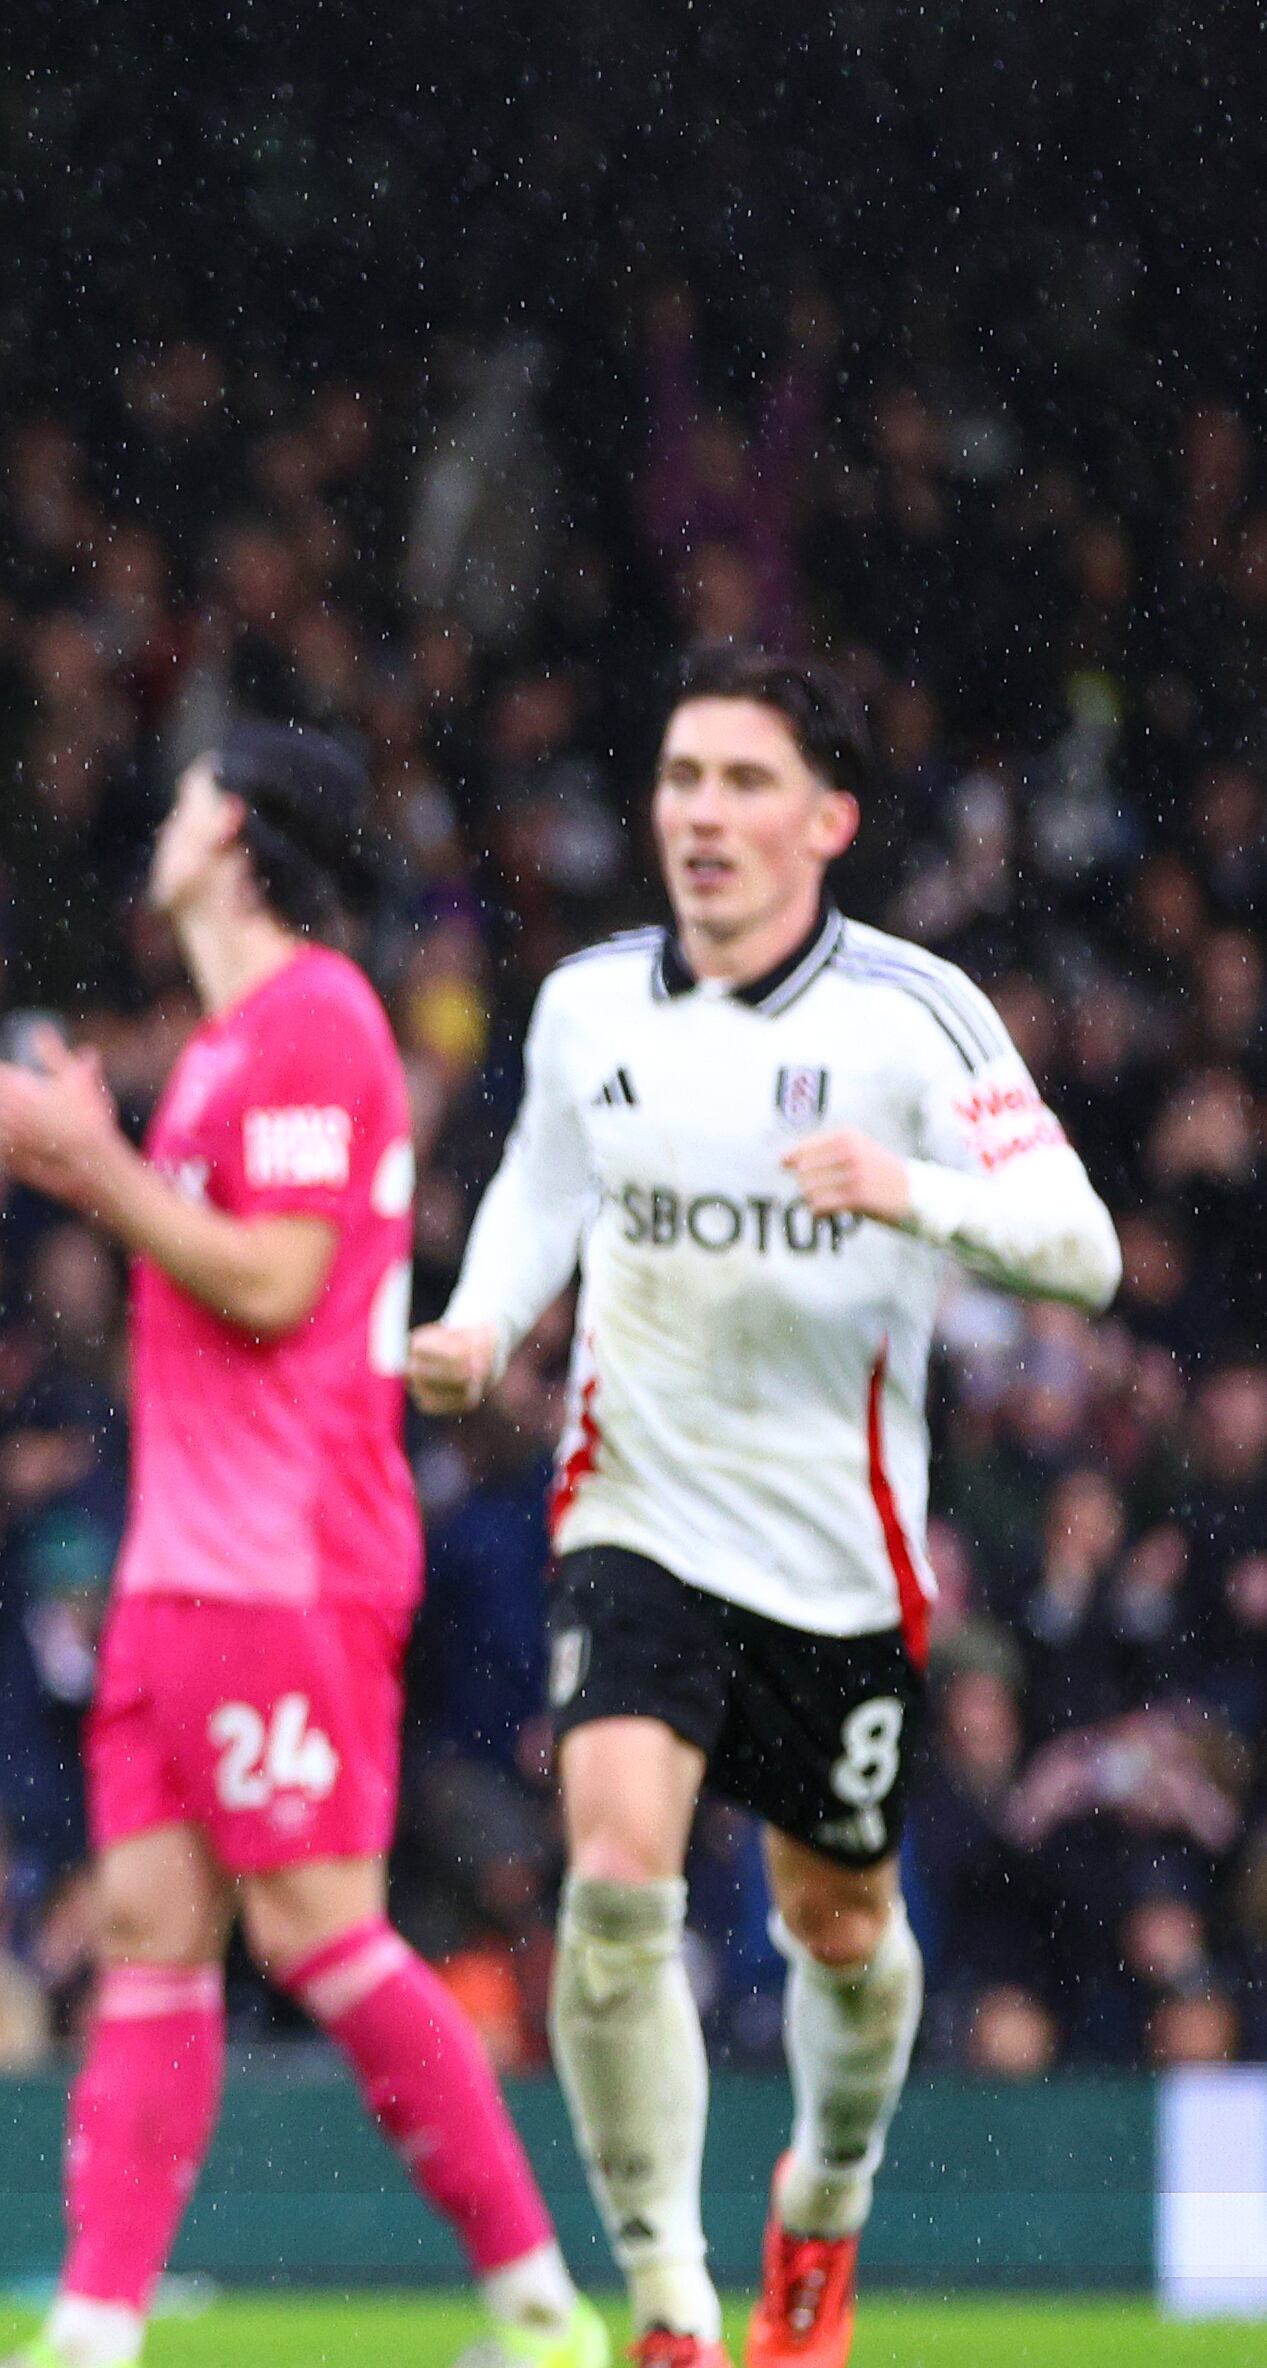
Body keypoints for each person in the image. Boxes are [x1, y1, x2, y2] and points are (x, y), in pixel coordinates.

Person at [408, 647, 1121, 2368]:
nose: (702, 816)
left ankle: (826, 2196)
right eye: (680, 780)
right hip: (633, 1508)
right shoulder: (589, 1004)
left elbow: (1085, 1254)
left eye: (741, 783)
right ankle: (665, 2296)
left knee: (841, 1930)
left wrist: (916, 1192)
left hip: (834, 1561)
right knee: (613, 1881)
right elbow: (539, 1189)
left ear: (830, 820)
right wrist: (486, 1322)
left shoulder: (911, 1014)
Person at [0, 727, 599, 2368]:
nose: (156, 824)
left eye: (179, 800)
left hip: (288, 1552)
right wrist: (102, 1155)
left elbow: (279, 1284)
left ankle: (538, 2306)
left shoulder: (315, 1017)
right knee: (153, 1943)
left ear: (234, 828)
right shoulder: (230, 1042)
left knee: (319, 1932)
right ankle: (96, 2326)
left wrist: (95, 1171)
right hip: (184, 1559)